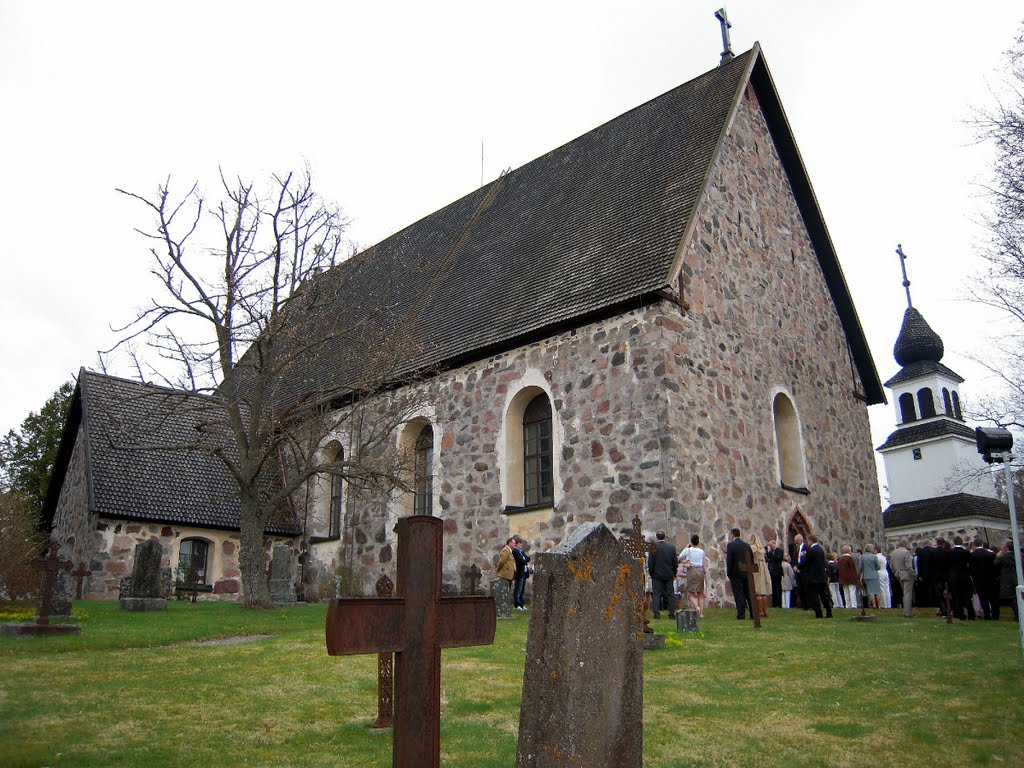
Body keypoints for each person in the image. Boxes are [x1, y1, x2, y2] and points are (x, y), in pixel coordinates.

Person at [647, 530, 678, 619]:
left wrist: (651, 572)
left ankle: (656, 614)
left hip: (657, 574)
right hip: (668, 574)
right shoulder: (671, 547)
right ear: (664, 537)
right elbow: (674, 562)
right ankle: (672, 613)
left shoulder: (654, 547)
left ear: (657, 537)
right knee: (670, 594)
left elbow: (650, 562)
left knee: (656, 594)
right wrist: (674, 572)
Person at [726, 528, 754, 620]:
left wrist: (729, 573)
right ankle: (753, 613)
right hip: (746, 573)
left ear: (732, 535)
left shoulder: (731, 546)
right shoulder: (746, 545)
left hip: (735, 573)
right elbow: (751, 558)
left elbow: (729, 560)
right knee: (748, 593)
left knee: (739, 594)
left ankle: (741, 614)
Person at [803, 535, 833, 618]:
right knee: (824, 596)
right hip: (822, 576)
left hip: (813, 577)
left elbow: (806, 562)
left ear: (810, 541)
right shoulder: (820, 550)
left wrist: (798, 566)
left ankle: (818, 613)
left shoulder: (811, 550)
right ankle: (829, 612)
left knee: (814, 596)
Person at [948, 535, 976, 621]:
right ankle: (971, 614)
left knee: (957, 596)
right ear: (962, 542)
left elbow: (948, 565)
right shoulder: (966, 552)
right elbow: (970, 564)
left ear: (954, 542)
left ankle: (960, 614)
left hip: (954, 576)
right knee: (967, 596)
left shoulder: (950, 552)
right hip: (964, 576)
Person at [678, 533, 706, 617]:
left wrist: (686, 547)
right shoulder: (701, 551)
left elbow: (680, 557)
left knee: (691, 593)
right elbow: (703, 563)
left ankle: (697, 607)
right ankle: (701, 613)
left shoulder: (688, 550)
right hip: (700, 571)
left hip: (691, 571)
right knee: (700, 593)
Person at [969, 538, 997, 620]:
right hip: (990, 579)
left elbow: (971, 569)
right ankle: (995, 614)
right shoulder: (991, 555)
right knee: (992, 597)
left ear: (974, 544)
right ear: (982, 544)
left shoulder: (972, 555)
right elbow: (994, 567)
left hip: (978, 580)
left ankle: (987, 614)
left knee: (982, 597)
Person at [891, 539, 916, 618]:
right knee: (908, 594)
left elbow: (891, 565)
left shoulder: (894, 553)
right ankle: (908, 613)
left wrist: (895, 572)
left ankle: (906, 610)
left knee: (904, 593)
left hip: (898, 574)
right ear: (905, 544)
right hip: (907, 574)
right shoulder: (906, 552)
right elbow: (908, 566)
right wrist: (913, 574)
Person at [996, 540, 1021, 620]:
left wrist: (998, 556)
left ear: (1006, 548)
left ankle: (1018, 614)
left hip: (1008, 579)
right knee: (1017, 596)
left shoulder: (1005, 557)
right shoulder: (1018, 555)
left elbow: (996, 564)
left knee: (1012, 598)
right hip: (1017, 577)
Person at [838, 545, 859, 609]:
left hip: (843, 578)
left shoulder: (840, 559)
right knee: (852, 591)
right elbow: (853, 569)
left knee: (846, 592)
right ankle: (853, 605)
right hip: (851, 578)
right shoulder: (850, 559)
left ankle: (848, 605)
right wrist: (856, 577)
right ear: (849, 551)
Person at [511, 538, 530, 611]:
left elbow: (527, 558)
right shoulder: (515, 552)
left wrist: (525, 560)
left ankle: (522, 604)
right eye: (520, 543)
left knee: (522, 590)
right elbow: (520, 560)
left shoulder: (521, 552)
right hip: (519, 573)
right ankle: (517, 604)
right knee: (518, 589)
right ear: (516, 544)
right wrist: (524, 560)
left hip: (524, 573)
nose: (521, 544)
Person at [860, 544, 881, 609]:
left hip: (867, 575)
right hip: (875, 575)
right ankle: (879, 605)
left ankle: (874, 605)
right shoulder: (874, 557)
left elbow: (860, 567)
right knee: (877, 591)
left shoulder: (862, 557)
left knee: (871, 591)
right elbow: (878, 567)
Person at [766, 539, 784, 608]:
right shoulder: (771, 552)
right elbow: (769, 559)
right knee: (773, 587)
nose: (770, 547)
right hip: (772, 571)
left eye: (770, 545)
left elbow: (778, 558)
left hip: (777, 571)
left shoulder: (779, 551)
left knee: (778, 587)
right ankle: (774, 603)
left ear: (774, 544)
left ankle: (779, 603)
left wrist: (770, 553)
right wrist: (768, 554)